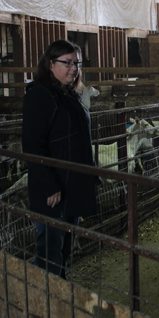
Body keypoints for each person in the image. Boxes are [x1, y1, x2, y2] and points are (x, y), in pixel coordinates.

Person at [22, 39, 98, 278]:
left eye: (76, 63)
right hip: (53, 192)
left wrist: (89, 174)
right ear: (50, 64)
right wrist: (49, 184)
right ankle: (44, 299)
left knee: (63, 250)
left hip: (72, 186)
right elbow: (33, 144)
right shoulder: (39, 96)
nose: (73, 68)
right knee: (49, 252)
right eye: (67, 63)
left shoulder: (67, 95)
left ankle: (57, 295)